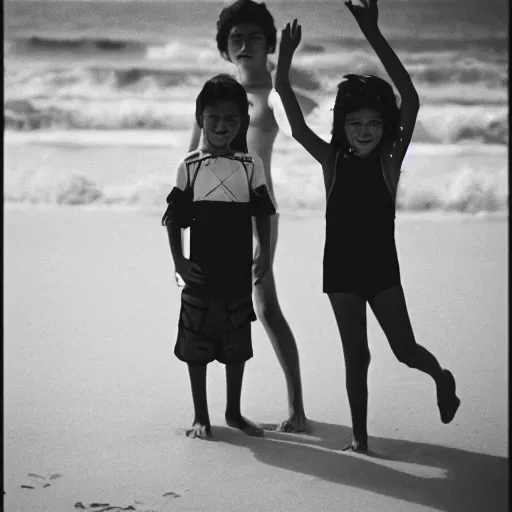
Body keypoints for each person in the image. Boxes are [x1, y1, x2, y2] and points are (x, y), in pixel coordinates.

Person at [274, 1, 460, 453]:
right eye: (355, 123)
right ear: (342, 125)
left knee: (404, 349)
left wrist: (371, 31)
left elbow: (411, 98)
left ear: (386, 128)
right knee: (356, 356)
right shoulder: (331, 160)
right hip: (339, 271)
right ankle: (360, 438)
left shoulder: (389, 162)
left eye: (374, 124)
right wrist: (284, 61)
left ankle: (441, 376)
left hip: (380, 270)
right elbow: (294, 120)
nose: (364, 131)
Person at [188, 0, 314, 433]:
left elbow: (305, 124)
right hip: (213, 217)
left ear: (268, 44)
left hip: (258, 213)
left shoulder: (274, 96)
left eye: (254, 37)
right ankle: (213, 410)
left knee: (266, 306)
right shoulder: (217, 97)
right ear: (225, 47)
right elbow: (194, 156)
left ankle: (296, 409)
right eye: (235, 38)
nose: (244, 44)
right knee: (208, 307)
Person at [163, 74, 276, 440]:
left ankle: (233, 412)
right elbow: (174, 218)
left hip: (237, 273)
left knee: (236, 346)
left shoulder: (250, 164)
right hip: (199, 274)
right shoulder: (189, 166)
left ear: (242, 121)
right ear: (201, 118)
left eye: (231, 119)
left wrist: (265, 251)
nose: (222, 126)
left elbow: (264, 211)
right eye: (214, 118)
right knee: (196, 346)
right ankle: (201, 416)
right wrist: (179, 262)